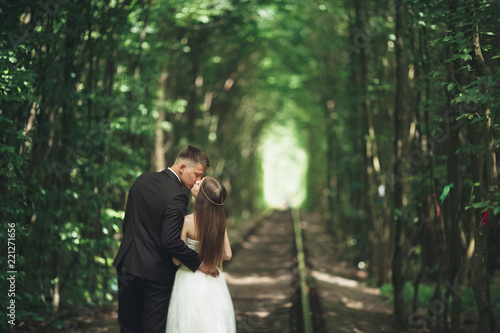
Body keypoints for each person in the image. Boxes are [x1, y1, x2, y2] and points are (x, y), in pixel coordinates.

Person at [113, 146, 218, 333]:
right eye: (197, 174)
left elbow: (129, 223)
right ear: (183, 167)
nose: (198, 180)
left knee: (128, 327)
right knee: (154, 327)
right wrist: (199, 262)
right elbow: (170, 241)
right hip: (156, 274)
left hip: (127, 265)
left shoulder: (142, 179)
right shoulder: (178, 196)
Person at [166, 176, 236, 333]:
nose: (196, 182)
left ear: (202, 197)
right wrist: (208, 257)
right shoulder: (219, 223)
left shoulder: (187, 222)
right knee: (212, 322)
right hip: (213, 278)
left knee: (187, 323)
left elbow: (177, 260)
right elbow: (227, 254)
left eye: (200, 183)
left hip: (187, 279)